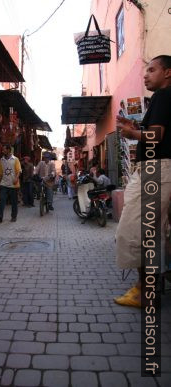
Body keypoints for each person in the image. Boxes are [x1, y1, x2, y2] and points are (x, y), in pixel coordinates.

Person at [115, 55, 171, 308]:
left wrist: (132, 133)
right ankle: (149, 290)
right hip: (159, 171)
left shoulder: (163, 95)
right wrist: (135, 125)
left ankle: (144, 292)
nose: (146, 75)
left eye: (152, 69)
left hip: (155, 171)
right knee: (153, 233)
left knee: (134, 230)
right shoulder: (163, 99)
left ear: (167, 73)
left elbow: (155, 137)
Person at [0, 144, 21, 223]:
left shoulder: (15, 159)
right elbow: (0, 173)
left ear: (9, 150)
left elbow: (19, 170)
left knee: (14, 202)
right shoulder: (1, 160)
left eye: (4, 149)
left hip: (13, 185)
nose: (3, 151)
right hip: (4, 184)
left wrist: (16, 178)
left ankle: (13, 216)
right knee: (1, 201)